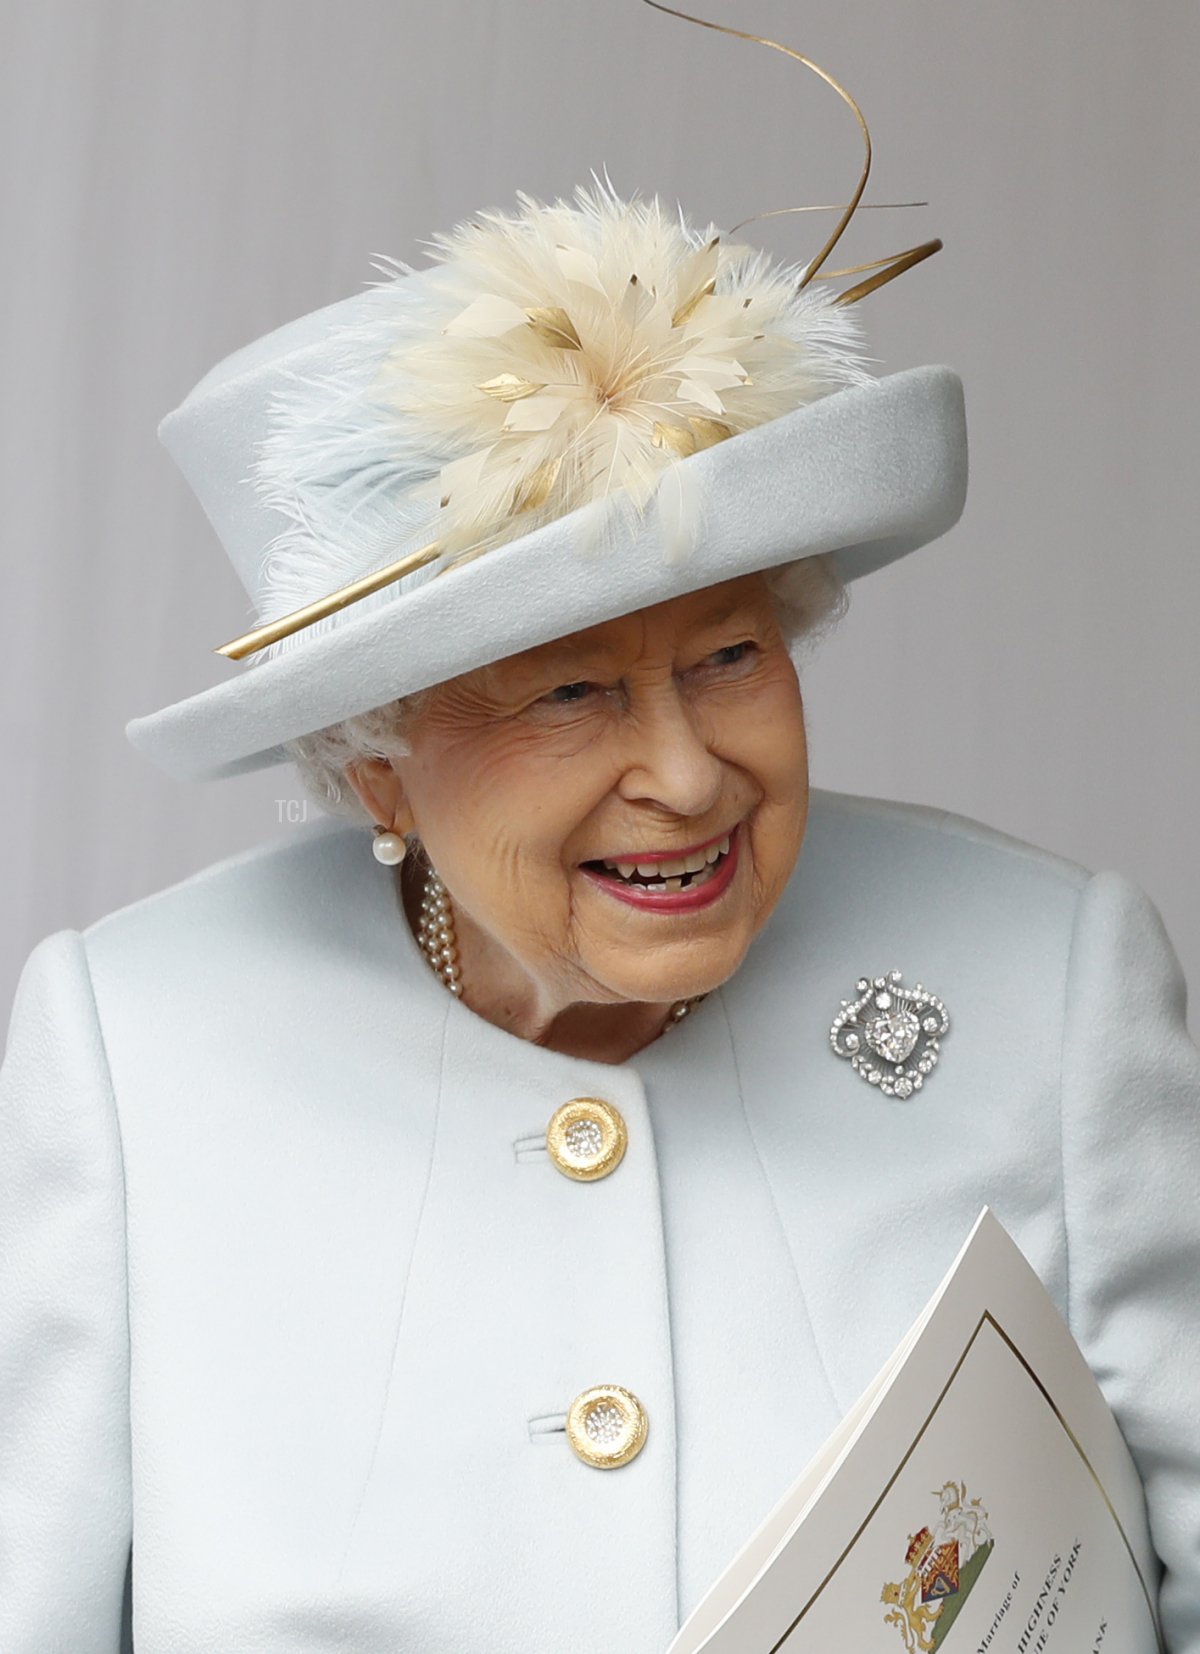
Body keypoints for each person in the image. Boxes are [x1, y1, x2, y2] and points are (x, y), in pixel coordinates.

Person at [2, 69, 1198, 1654]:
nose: (691, 771)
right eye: (570, 691)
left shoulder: (1048, 976)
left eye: (731, 655)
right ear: (375, 761)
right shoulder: (139, 1045)